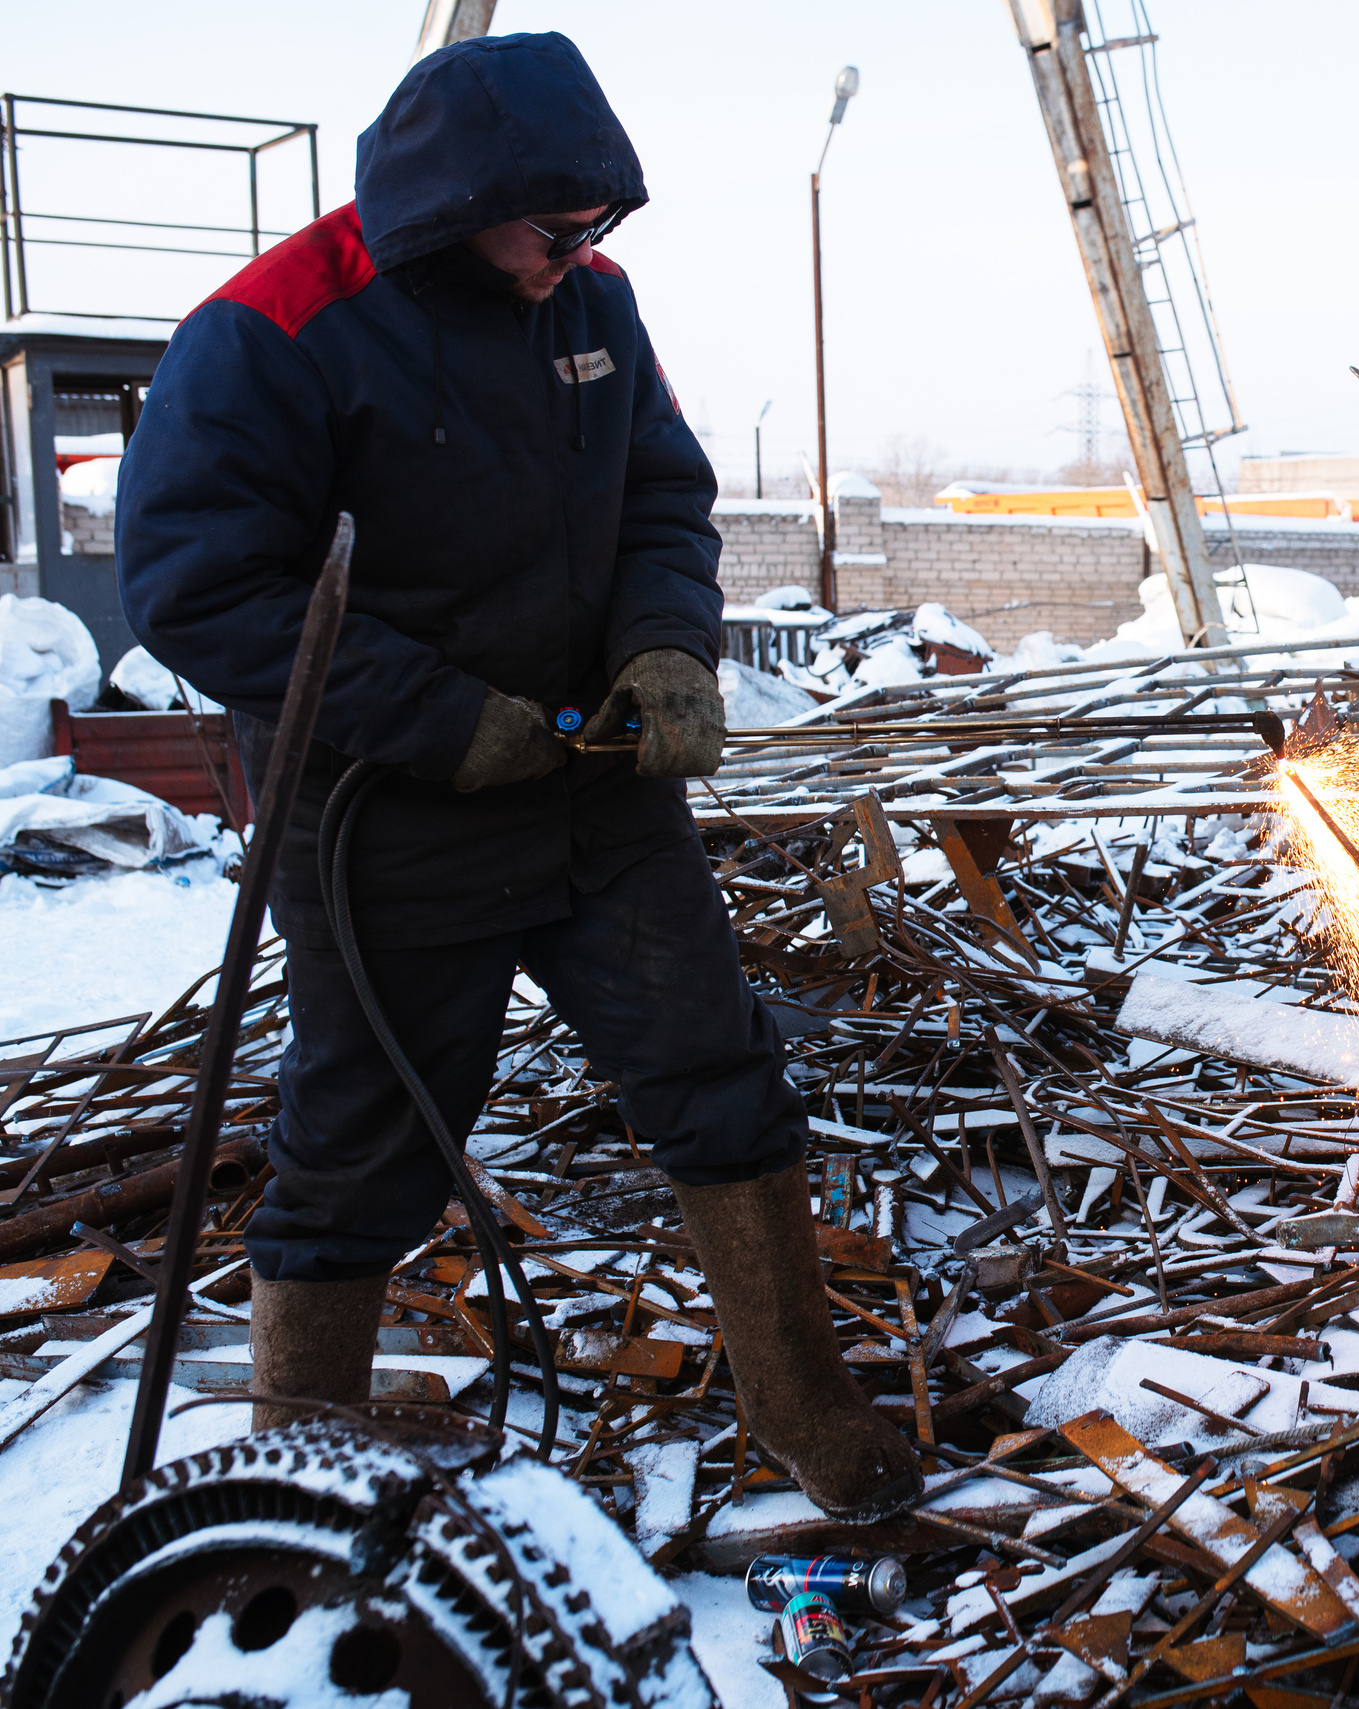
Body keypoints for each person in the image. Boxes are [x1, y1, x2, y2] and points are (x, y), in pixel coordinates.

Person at [115, 33, 920, 1524]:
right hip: (384, 814)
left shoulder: (593, 305)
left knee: (716, 1073)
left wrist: (667, 649)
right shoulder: (272, 332)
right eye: (555, 230)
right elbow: (198, 587)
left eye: (599, 227)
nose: (581, 255)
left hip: (593, 795)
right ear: (453, 204)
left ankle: (801, 1394)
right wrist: (435, 718)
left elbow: (664, 500)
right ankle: (302, 1440)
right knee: (361, 1137)